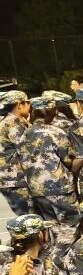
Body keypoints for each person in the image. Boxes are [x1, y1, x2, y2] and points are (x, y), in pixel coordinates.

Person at [19, 94, 79, 236]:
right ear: (51, 113)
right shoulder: (55, 132)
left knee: (51, 227)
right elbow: (67, 159)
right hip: (59, 187)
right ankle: (64, 250)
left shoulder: (25, 134)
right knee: (71, 225)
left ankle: (53, 249)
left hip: (36, 188)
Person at [0, 89, 33, 217]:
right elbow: (25, 148)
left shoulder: (6, 120)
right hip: (16, 180)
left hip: (8, 179)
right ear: (19, 105)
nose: (30, 105)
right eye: (27, 102)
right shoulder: (13, 122)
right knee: (29, 219)